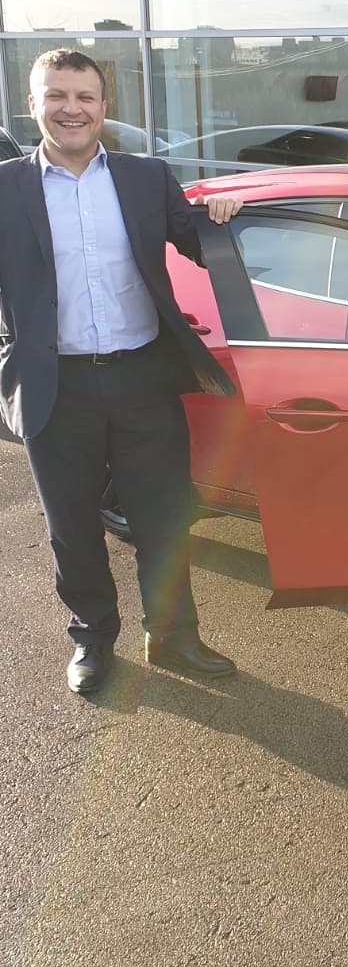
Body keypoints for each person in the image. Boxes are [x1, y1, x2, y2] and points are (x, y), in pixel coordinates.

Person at [0, 47, 242, 694]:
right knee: (72, 528)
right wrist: (8, 353)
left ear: (104, 107)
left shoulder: (145, 177)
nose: (71, 108)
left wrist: (221, 215)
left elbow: (198, 243)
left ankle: (173, 637)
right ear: (33, 104)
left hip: (143, 380)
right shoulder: (5, 187)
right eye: (57, 95)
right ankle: (92, 638)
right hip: (56, 387)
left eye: (84, 96)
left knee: (164, 519)